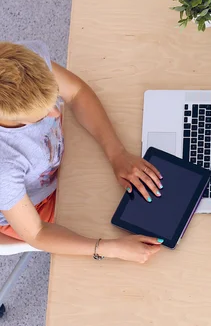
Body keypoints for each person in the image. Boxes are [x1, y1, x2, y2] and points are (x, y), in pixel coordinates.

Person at [0, 41, 163, 263]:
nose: (56, 114)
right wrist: (110, 249)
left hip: (55, 167)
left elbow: (76, 93)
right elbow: (37, 233)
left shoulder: (25, 62)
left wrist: (116, 153)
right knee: (117, 222)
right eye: (40, 116)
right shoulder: (4, 168)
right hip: (32, 207)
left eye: (54, 98)